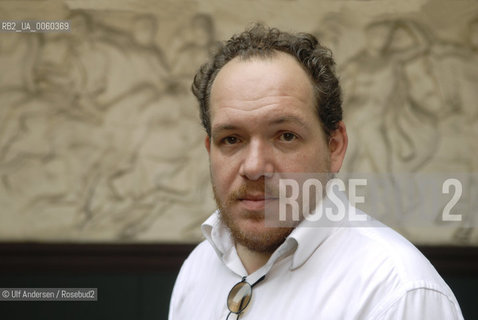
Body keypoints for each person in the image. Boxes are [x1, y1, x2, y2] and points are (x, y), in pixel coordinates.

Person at [168, 24, 463, 319]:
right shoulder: (197, 269)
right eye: (231, 139)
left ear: (334, 146)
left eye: (285, 136)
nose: (255, 167)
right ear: (210, 150)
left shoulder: (397, 294)